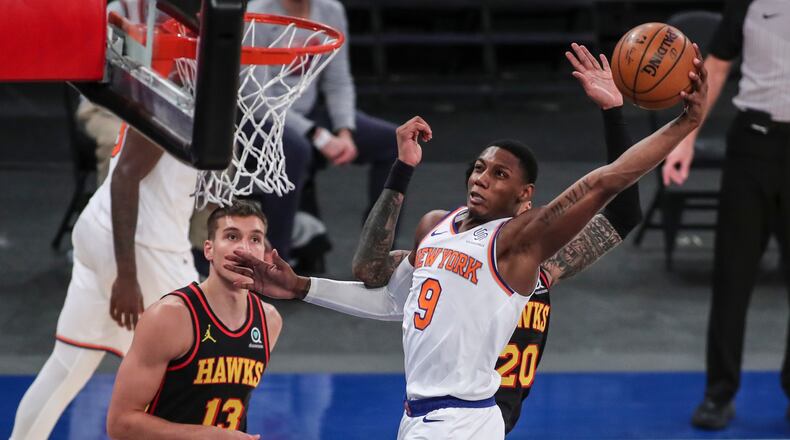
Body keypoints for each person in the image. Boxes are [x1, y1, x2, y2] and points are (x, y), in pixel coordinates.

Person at [228, 44, 709, 438]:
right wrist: (301, 288)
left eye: (499, 174)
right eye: (479, 167)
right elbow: (388, 296)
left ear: (525, 197)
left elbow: (607, 187)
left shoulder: (521, 245)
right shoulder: (439, 228)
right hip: (422, 413)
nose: (481, 177)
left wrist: (674, 123)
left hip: (471, 414)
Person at [11, 124, 199, 439]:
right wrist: (126, 275)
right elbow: (126, 176)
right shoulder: (171, 107)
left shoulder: (166, 90)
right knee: (206, 357)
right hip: (143, 249)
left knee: (67, 367)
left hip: (102, 231)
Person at [661, 0, 790, 430]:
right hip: (753, 146)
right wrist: (685, 140)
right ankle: (719, 392)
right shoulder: (749, 4)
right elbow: (714, 69)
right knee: (732, 276)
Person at [106, 201, 281, 439]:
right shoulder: (170, 317)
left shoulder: (269, 321)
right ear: (209, 249)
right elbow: (120, 424)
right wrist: (209, 436)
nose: (244, 249)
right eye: (231, 236)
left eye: (255, 239)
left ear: (264, 253)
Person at [244, 0, 398, 263]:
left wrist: (345, 130)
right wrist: (319, 135)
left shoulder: (330, 11)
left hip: (311, 113)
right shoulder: (257, 14)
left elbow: (338, 81)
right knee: (295, 149)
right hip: (260, 118)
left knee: (391, 142)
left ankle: (376, 252)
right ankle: (272, 262)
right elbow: (254, 99)